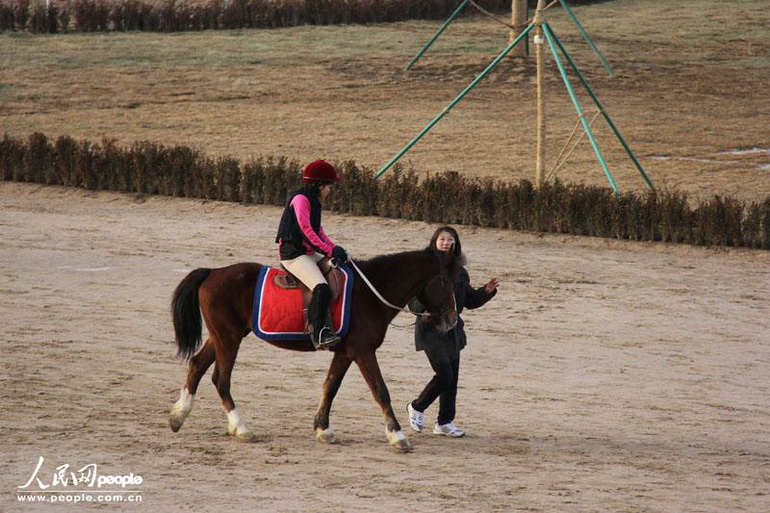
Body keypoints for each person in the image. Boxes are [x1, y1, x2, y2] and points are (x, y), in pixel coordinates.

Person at [407, 226, 500, 437]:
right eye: (442, 239)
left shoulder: (460, 272)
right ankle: (417, 407)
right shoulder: (425, 269)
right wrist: (423, 311)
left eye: (450, 239)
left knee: (452, 379)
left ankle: (444, 422)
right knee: (445, 375)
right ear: (435, 242)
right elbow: (412, 299)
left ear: (455, 244)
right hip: (431, 329)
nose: (446, 243)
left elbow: (468, 301)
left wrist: (486, 292)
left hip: (453, 330)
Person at [275, 159, 349, 349]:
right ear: (320, 185)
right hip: (293, 255)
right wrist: (328, 250)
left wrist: (335, 249)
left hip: (307, 252)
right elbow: (306, 230)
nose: (330, 190)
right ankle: (319, 332)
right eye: (329, 186)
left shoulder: (314, 201)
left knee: (339, 269)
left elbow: (319, 231)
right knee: (321, 286)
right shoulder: (301, 200)